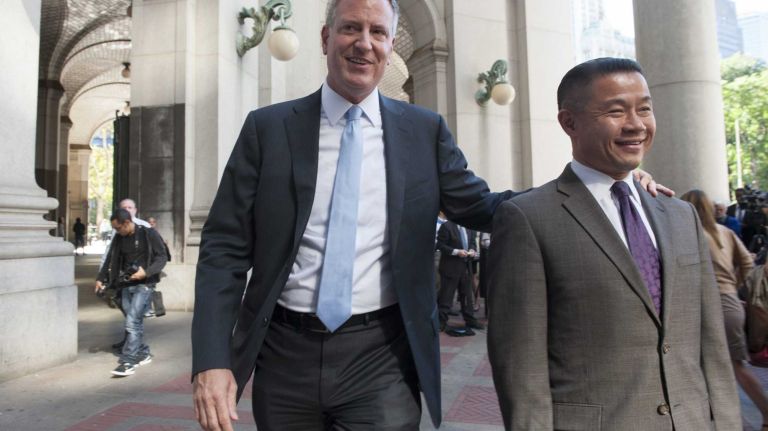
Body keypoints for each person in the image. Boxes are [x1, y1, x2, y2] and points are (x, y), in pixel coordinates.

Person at [190, 2, 670, 429]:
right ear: (325, 37)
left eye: (378, 32)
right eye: (350, 28)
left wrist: (599, 185)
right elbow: (224, 249)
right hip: (283, 352)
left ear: (389, 43)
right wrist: (213, 359)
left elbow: (485, 206)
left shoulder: (423, 131)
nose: (364, 43)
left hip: (382, 355)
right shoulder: (268, 129)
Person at [487, 57, 740, 430]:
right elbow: (521, 367)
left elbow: (713, 347)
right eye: (616, 111)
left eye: (645, 109)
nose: (636, 124)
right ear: (568, 122)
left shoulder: (681, 216)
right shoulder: (528, 218)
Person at [682, 189, 768, 430]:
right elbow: (748, 263)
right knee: (733, 365)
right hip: (730, 303)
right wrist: (733, 284)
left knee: (723, 366)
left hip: (708, 304)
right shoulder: (725, 232)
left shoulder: (685, 234)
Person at [94, 208, 167, 377]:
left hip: (145, 285)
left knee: (133, 321)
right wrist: (100, 277)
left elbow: (162, 257)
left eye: (118, 228)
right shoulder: (119, 238)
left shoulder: (149, 234)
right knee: (132, 320)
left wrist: (146, 272)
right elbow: (110, 258)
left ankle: (128, 361)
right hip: (125, 285)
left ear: (127, 223)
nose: (117, 231)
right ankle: (143, 351)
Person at [436, 221, 483, 331]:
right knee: (446, 297)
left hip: (466, 268)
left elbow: (472, 243)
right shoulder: (447, 226)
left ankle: (470, 320)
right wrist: (456, 252)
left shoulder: (469, 227)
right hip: (450, 268)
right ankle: (441, 322)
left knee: (467, 296)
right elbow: (440, 245)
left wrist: (472, 250)